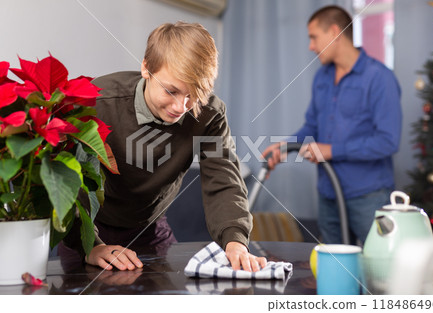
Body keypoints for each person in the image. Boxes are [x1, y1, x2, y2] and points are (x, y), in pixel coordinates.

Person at [61, 22, 267, 272]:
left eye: (194, 95)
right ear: (146, 68)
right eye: (171, 91)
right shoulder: (95, 102)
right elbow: (65, 182)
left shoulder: (209, 114)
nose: (181, 107)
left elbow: (223, 181)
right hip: (87, 228)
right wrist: (90, 245)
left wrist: (235, 243)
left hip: (150, 229)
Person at [262, 5, 402, 245]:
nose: (311, 46)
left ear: (335, 32)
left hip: (368, 196)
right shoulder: (322, 77)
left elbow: (388, 141)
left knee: (378, 273)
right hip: (328, 195)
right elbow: (312, 127)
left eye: (314, 37)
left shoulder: (379, 78)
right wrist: (285, 146)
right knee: (334, 270)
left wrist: (332, 150)